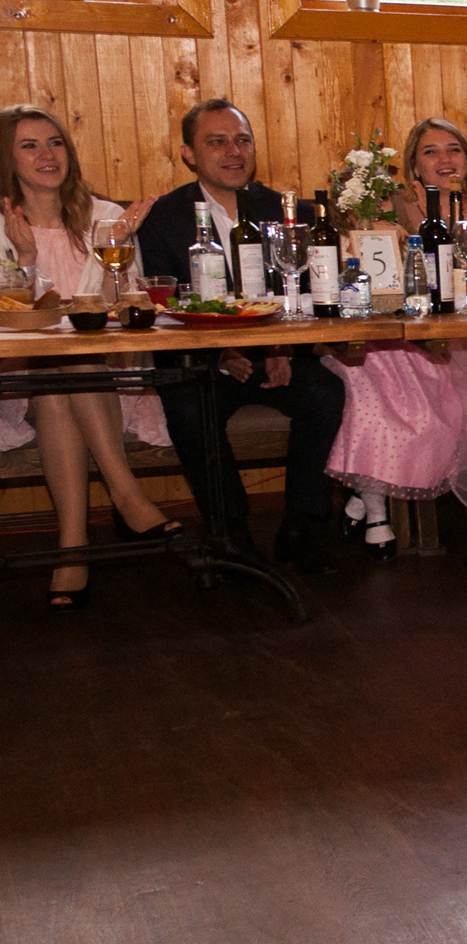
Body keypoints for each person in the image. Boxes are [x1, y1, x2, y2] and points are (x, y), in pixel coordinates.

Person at [136, 100, 347, 574]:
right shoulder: (165, 217)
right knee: (189, 404)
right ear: (189, 154)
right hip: (203, 360)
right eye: (217, 141)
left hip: (279, 352)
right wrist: (218, 351)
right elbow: (163, 301)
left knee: (326, 393)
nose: (233, 151)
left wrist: (283, 348)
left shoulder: (292, 211)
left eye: (242, 140)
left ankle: (302, 525)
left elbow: (314, 291)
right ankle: (229, 533)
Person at [325, 116, 467, 558]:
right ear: (414, 167)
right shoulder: (399, 210)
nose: (445, 159)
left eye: (454, 150)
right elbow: (397, 283)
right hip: (436, 341)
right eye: (431, 152)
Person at [0, 105, 177, 609]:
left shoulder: (103, 216)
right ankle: (128, 498)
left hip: (105, 375)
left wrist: (113, 255)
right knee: (57, 371)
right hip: (16, 380)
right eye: (29, 145)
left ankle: (71, 550)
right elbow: (10, 317)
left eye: (55, 143)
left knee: (67, 373)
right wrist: (27, 261)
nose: (47, 154)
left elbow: (128, 306)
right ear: (7, 160)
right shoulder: (2, 225)